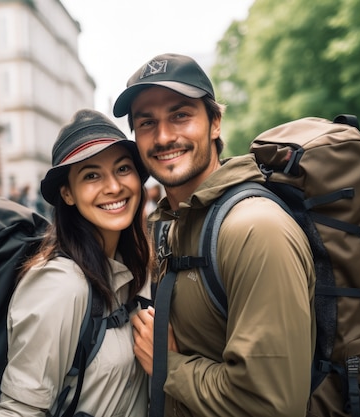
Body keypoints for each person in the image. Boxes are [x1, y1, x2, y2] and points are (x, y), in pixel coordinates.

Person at [114, 53, 316, 416]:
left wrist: (166, 366)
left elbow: (272, 405)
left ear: (215, 122)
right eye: (147, 123)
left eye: (180, 115)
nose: (163, 137)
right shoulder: (171, 223)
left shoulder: (255, 229)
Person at [0, 109, 152, 417]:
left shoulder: (130, 268)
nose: (114, 187)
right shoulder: (60, 284)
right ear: (67, 193)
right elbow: (19, 410)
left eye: (123, 168)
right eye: (92, 175)